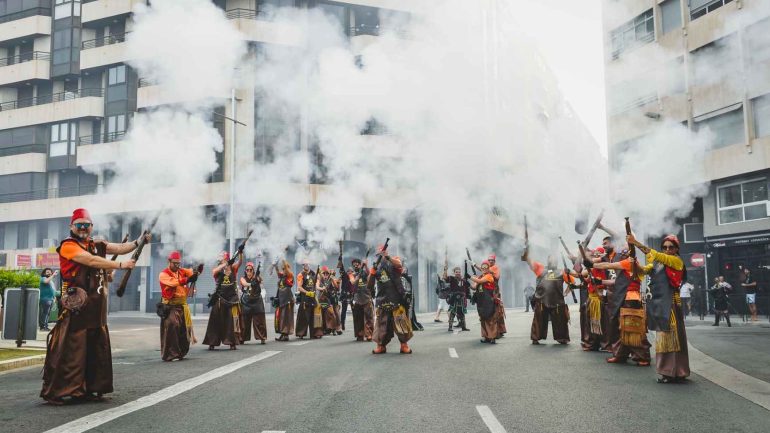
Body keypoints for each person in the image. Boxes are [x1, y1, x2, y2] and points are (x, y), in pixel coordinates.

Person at [41, 208, 145, 405]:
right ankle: (58, 391)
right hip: (76, 305)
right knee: (73, 349)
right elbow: (89, 260)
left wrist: (139, 241)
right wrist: (120, 266)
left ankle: (90, 388)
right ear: (71, 226)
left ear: (91, 227)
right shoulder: (68, 246)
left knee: (95, 348)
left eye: (86, 225)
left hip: (96, 307)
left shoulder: (96, 244)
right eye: (79, 225)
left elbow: (120, 248)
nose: (83, 228)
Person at [627, 233, 690, 384]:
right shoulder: (658, 263)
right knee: (663, 338)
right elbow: (642, 271)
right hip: (659, 304)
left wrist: (635, 242)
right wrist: (633, 263)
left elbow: (654, 254)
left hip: (671, 305)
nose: (667, 250)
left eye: (671, 247)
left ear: (676, 249)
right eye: (665, 247)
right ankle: (668, 371)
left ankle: (675, 371)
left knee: (672, 339)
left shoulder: (676, 261)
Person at [589, 248, 651, 366]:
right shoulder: (626, 266)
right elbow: (616, 282)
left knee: (633, 328)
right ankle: (620, 354)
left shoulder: (630, 262)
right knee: (620, 327)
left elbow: (607, 265)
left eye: (624, 254)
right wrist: (600, 281)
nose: (621, 256)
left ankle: (642, 356)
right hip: (623, 298)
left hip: (630, 298)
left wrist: (592, 264)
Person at [370, 245, 413, 354]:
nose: (381, 255)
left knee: (401, 322)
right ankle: (381, 346)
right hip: (381, 298)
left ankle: (404, 345)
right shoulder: (375, 266)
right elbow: (369, 285)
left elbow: (399, 264)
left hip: (396, 297)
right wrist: (372, 273)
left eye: (383, 253)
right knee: (381, 325)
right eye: (379, 254)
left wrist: (388, 257)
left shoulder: (394, 259)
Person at [159, 251, 201, 361]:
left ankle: (181, 352)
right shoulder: (163, 274)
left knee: (183, 330)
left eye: (179, 263)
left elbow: (192, 273)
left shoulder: (182, 271)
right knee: (172, 324)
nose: (177, 266)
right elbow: (174, 283)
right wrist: (187, 279)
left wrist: (198, 270)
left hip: (182, 305)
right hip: (170, 306)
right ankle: (171, 354)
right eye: (175, 263)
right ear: (169, 262)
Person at [524, 253, 570, 345]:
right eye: (550, 259)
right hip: (541, 301)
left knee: (560, 321)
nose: (552, 261)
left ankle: (562, 338)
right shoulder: (540, 269)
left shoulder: (562, 272)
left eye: (554, 259)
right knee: (539, 321)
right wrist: (527, 252)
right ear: (547, 261)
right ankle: (536, 338)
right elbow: (529, 261)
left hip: (557, 302)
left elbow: (571, 283)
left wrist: (565, 292)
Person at [203, 250, 243, 350]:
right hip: (219, 298)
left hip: (232, 299)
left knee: (232, 321)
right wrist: (224, 264)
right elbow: (214, 271)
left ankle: (232, 342)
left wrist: (240, 253)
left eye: (223, 259)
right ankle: (212, 342)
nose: (221, 261)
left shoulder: (233, 268)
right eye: (221, 260)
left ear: (227, 259)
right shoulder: (218, 269)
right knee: (215, 320)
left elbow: (240, 262)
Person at [469, 261, 498, 343]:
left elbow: (480, 281)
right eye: (483, 268)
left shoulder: (489, 276)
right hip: (481, 301)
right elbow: (474, 287)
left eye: (486, 267)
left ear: (489, 269)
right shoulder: (480, 276)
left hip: (489, 301)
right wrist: (468, 282)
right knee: (482, 318)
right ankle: (485, 336)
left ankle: (492, 337)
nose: (484, 269)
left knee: (490, 318)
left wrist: (470, 277)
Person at [240, 262, 267, 344]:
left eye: (250, 270)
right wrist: (251, 284)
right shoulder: (242, 278)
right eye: (247, 270)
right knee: (244, 321)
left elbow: (261, 281)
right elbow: (244, 283)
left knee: (260, 321)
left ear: (253, 270)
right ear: (245, 271)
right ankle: (242, 338)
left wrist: (257, 279)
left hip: (257, 301)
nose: (249, 271)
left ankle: (262, 338)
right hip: (246, 301)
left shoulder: (257, 277)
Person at [295, 262, 323, 339]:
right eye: (304, 264)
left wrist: (319, 273)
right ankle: (301, 333)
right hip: (305, 298)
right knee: (303, 317)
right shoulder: (300, 275)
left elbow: (319, 282)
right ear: (303, 265)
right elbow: (299, 288)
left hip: (313, 298)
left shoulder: (314, 273)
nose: (306, 265)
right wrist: (307, 293)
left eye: (307, 264)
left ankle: (316, 333)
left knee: (315, 316)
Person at [350, 258, 374, 342]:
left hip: (367, 297)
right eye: (354, 265)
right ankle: (360, 334)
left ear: (360, 265)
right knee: (358, 318)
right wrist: (358, 275)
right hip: (357, 298)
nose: (356, 266)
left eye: (358, 264)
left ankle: (369, 334)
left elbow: (370, 275)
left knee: (369, 317)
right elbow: (353, 282)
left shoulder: (364, 272)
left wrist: (366, 265)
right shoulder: (352, 274)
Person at [272, 259, 295, 341]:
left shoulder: (290, 276)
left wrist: (284, 261)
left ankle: (286, 335)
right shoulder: (282, 276)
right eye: (283, 269)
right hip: (281, 299)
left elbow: (288, 274)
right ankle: (282, 334)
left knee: (286, 318)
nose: (283, 270)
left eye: (284, 268)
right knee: (280, 317)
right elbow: (278, 273)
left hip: (287, 299)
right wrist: (275, 266)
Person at [444, 266, 470, 332]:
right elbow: (445, 278)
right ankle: (450, 327)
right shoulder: (451, 278)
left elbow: (470, 287)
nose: (458, 273)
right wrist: (445, 270)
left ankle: (464, 327)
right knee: (452, 313)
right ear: (454, 272)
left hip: (462, 299)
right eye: (456, 272)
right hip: (454, 299)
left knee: (462, 314)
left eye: (459, 272)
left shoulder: (463, 280)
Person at [316, 266, 340, 335]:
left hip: (327, 299)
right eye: (324, 273)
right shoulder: (319, 279)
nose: (325, 275)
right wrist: (322, 288)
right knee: (319, 315)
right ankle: (320, 330)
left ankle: (333, 328)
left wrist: (332, 279)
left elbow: (337, 287)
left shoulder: (331, 279)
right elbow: (317, 286)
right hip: (320, 299)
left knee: (331, 314)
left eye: (327, 273)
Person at [487, 254, 507, 338]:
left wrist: (489, 270)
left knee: (497, 311)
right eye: (489, 260)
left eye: (492, 260)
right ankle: (494, 331)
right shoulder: (487, 269)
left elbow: (497, 277)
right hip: (488, 291)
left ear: (494, 261)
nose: (490, 261)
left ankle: (499, 331)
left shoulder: (495, 268)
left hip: (494, 291)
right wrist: (474, 264)